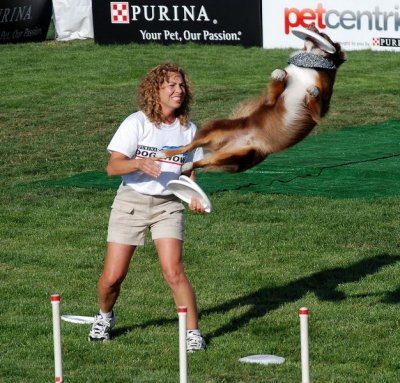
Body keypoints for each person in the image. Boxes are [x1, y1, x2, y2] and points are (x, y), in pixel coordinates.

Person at [88, 63, 206, 352]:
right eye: (172, 86)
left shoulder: (188, 129)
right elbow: (112, 167)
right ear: (156, 91)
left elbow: (189, 170)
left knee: (173, 271)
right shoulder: (136, 123)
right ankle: (104, 316)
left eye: (181, 86)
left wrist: (194, 195)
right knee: (113, 277)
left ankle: (193, 334)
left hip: (168, 204)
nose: (179, 91)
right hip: (131, 201)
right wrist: (138, 162)